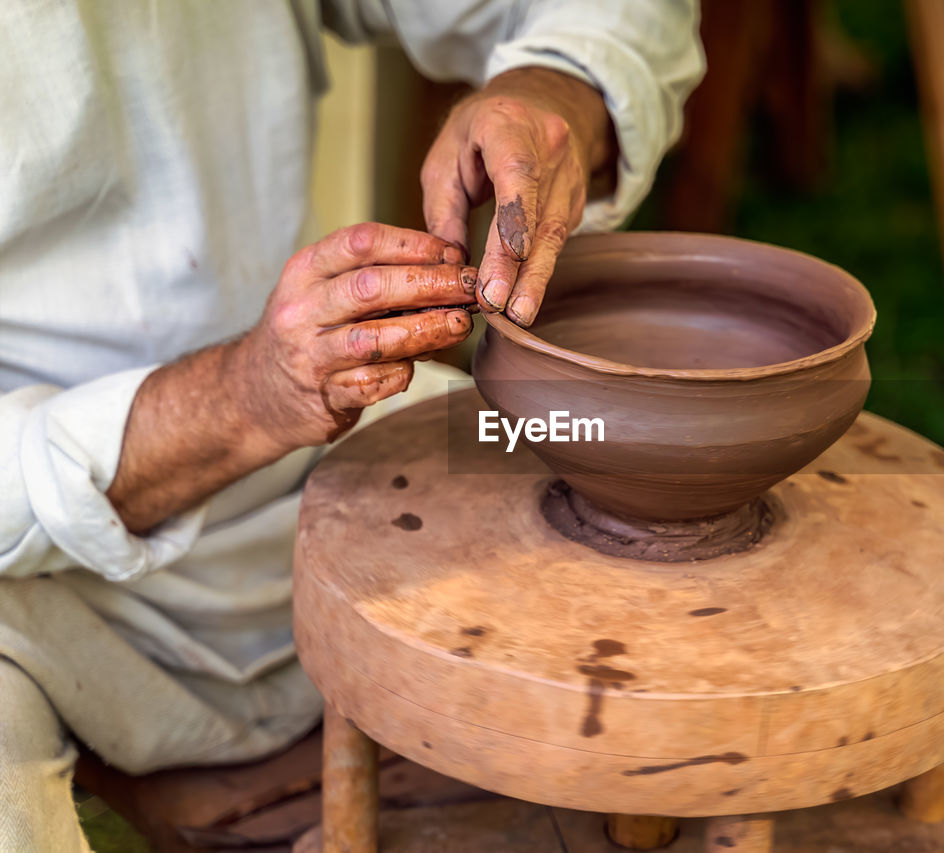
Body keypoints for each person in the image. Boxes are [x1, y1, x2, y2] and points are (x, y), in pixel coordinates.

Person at [0, 2, 703, 848]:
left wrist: (552, 90)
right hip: (37, 580)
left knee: (639, 483)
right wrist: (239, 397)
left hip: (321, 456)